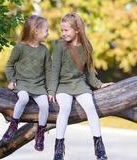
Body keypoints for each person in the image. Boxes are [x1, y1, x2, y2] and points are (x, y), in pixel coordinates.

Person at [48, 12, 114, 160]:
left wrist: (100, 85)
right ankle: (58, 150)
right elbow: (54, 71)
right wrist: (51, 90)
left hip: (79, 84)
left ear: (77, 30)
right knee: (64, 108)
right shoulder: (59, 46)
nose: (63, 33)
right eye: (62, 30)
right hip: (63, 86)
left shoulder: (87, 46)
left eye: (66, 30)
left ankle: (100, 149)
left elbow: (89, 71)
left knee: (90, 107)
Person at [2, 15, 51, 151]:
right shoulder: (20, 47)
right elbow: (9, 65)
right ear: (36, 31)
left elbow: (49, 71)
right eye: (46, 30)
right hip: (22, 83)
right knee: (23, 98)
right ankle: (13, 125)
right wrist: (11, 80)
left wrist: (51, 90)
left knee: (45, 106)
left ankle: (40, 134)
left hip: (38, 85)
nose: (48, 32)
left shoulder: (44, 50)